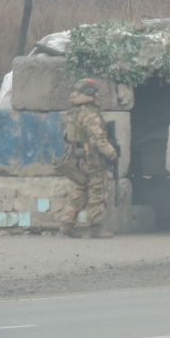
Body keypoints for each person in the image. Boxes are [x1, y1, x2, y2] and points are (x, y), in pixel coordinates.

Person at [59, 78, 117, 238]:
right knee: (98, 191)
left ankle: (66, 225)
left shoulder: (75, 111)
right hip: (92, 160)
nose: (98, 94)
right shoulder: (88, 113)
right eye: (95, 91)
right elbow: (98, 139)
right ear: (90, 93)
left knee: (80, 192)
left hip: (78, 159)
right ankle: (96, 228)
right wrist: (112, 154)